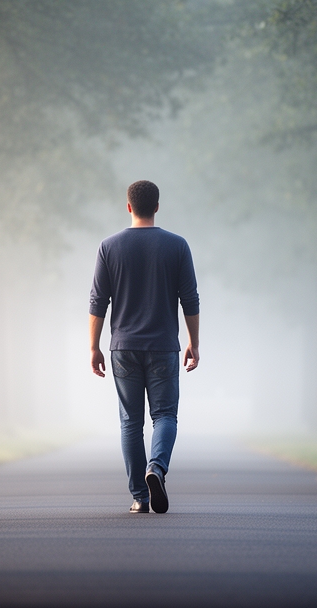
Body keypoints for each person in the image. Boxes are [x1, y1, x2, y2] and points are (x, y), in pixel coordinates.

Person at [89, 180, 200, 514]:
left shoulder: (109, 247)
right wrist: (194, 342)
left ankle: (140, 496)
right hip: (164, 345)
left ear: (128, 207)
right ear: (157, 206)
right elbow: (189, 299)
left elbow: (98, 300)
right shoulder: (177, 246)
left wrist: (93, 347)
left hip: (123, 347)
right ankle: (157, 468)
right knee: (165, 415)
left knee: (130, 423)